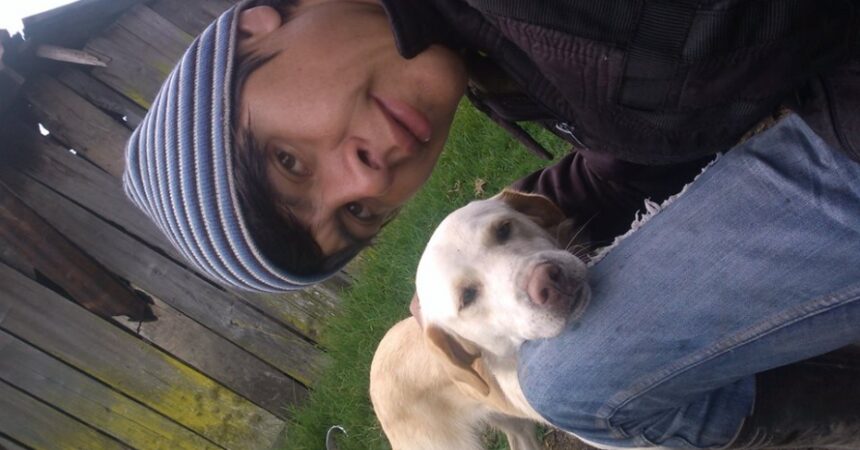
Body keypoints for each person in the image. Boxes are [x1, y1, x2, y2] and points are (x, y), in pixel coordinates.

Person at [123, 0, 860, 447]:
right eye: (357, 215)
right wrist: (506, 218)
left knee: (572, 384)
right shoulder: (479, 48)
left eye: (287, 161)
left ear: (252, 26)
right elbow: (649, 134)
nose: (368, 180)